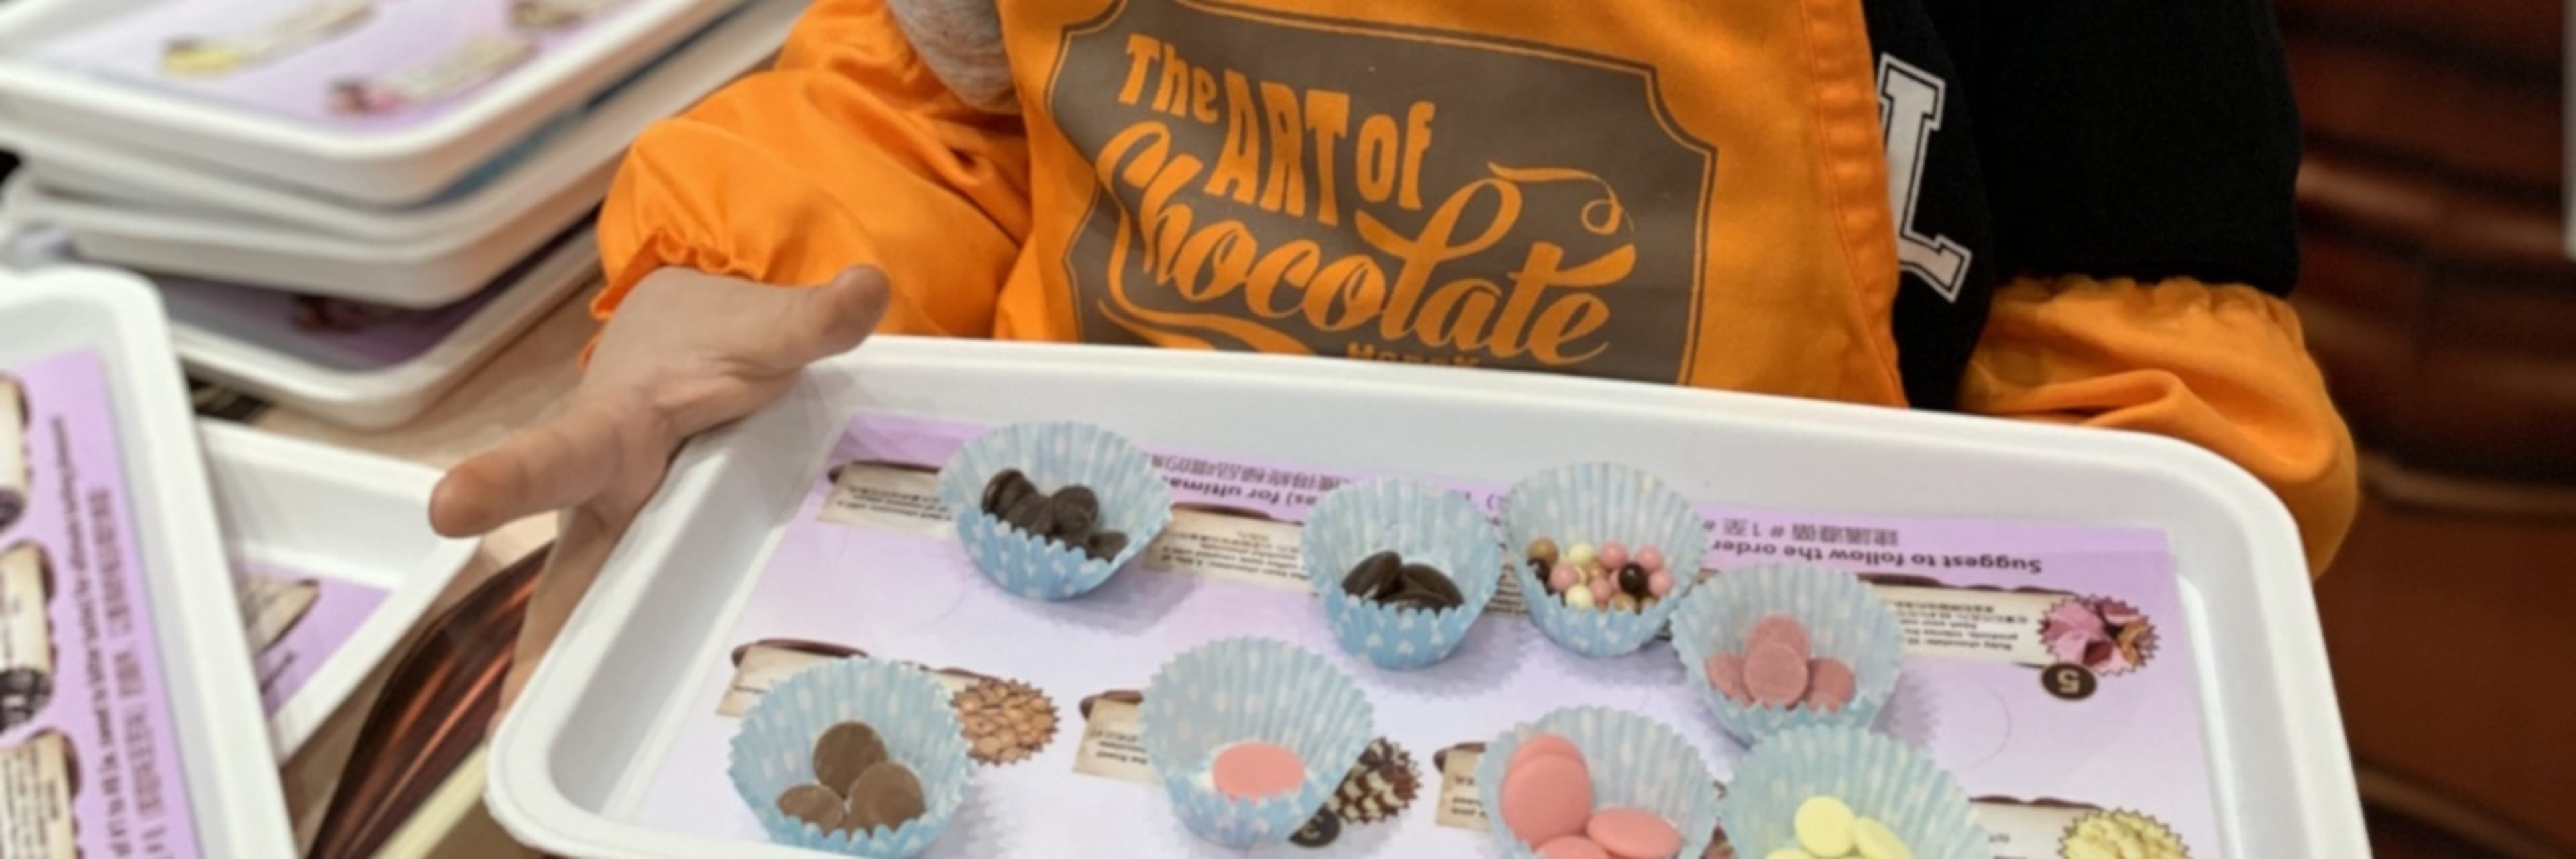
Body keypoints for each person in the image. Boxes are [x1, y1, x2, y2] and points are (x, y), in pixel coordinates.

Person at [429, 0, 2358, 709]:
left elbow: (2160, 426)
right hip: (1093, 650)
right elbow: (936, 106)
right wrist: (723, 282)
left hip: (1735, 700)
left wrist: (2034, 665)